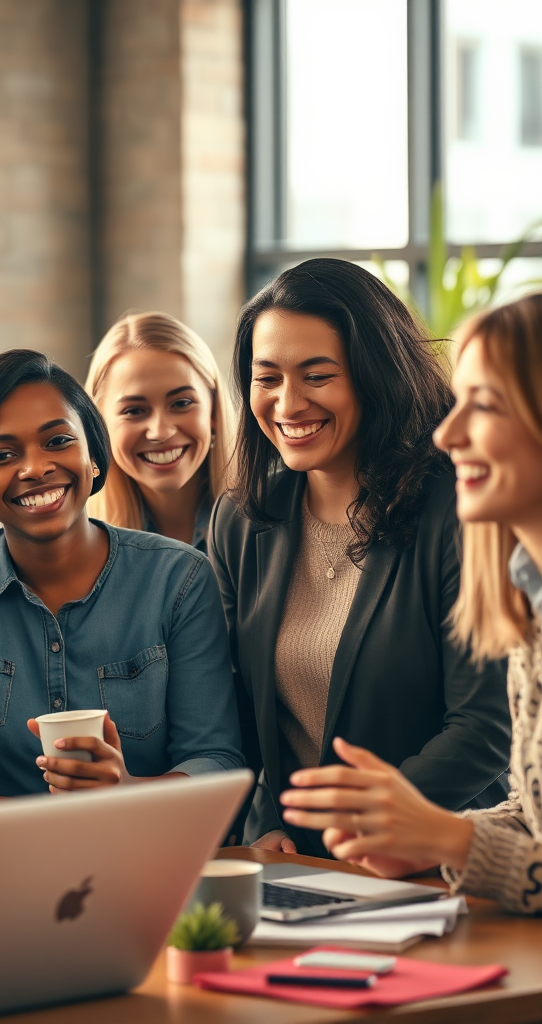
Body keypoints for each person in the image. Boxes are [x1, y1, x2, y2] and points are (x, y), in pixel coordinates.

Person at [0, 349, 244, 857]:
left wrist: (127, 796)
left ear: (92, 454)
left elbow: (216, 760)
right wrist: (33, 825)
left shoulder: (179, 579)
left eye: (58, 441)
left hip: (143, 869)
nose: (35, 468)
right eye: (1, 456)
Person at [208, 258, 511, 858]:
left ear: (376, 376)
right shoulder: (243, 518)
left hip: (435, 857)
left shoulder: (459, 511)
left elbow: (483, 727)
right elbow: (233, 704)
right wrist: (261, 820)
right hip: (298, 863)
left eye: (317, 376)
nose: (288, 404)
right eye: (267, 378)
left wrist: (367, 830)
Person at [278, 293, 542, 910]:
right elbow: (534, 822)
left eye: (485, 405)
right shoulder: (525, 604)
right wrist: (430, 843)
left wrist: (449, 836)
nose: (448, 434)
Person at [85, 311, 231, 553]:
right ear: (99, 424)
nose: (160, 432)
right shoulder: (82, 547)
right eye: (133, 411)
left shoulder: (276, 523)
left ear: (214, 410)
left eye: (182, 403)